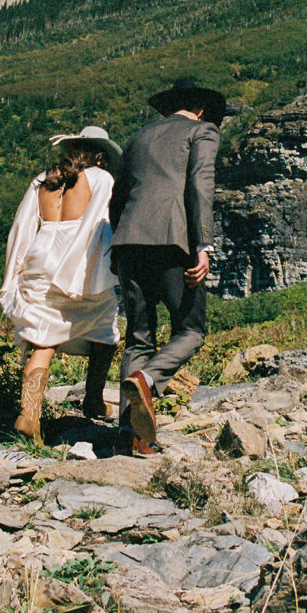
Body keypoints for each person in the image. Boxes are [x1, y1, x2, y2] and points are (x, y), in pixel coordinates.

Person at [109, 78, 226, 456]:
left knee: (139, 337)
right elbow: (200, 186)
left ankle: (134, 437)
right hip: (174, 242)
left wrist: (120, 238)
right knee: (190, 330)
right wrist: (203, 244)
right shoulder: (202, 131)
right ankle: (147, 379)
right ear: (202, 109)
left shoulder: (137, 138)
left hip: (129, 241)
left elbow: (118, 196)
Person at [0, 126, 122, 445]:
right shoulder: (101, 179)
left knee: (43, 337)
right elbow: (102, 225)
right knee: (105, 328)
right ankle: (93, 399)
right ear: (100, 153)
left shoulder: (44, 179)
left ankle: (29, 415)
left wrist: (14, 272)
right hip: (79, 261)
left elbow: (22, 226)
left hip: (41, 257)